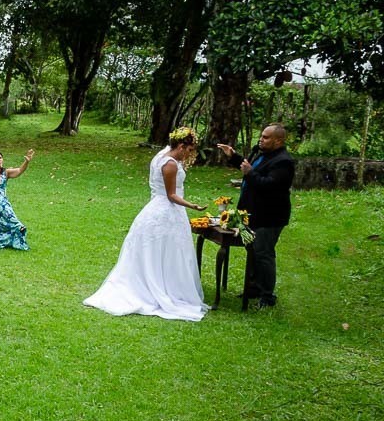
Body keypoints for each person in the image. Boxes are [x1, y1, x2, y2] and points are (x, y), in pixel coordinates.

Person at [84, 128, 209, 321]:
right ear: (182, 146)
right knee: (167, 250)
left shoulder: (161, 154)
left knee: (167, 251)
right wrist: (192, 205)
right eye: (189, 149)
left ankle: (165, 281)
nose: (190, 154)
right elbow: (172, 195)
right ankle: (159, 288)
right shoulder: (170, 164)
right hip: (166, 211)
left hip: (157, 209)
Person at [216, 123, 296, 309]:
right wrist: (234, 157)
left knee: (263, 254)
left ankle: (267, 297)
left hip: (269, 217)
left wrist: (250, 173)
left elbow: (269, 185)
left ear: (279, 140)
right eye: (262, 135)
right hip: (251, 214)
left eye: (266, 137)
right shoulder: (265, 155)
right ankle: (253, 287)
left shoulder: (283, 162)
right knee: (252, 250)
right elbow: (251, 170)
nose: (261, 139)